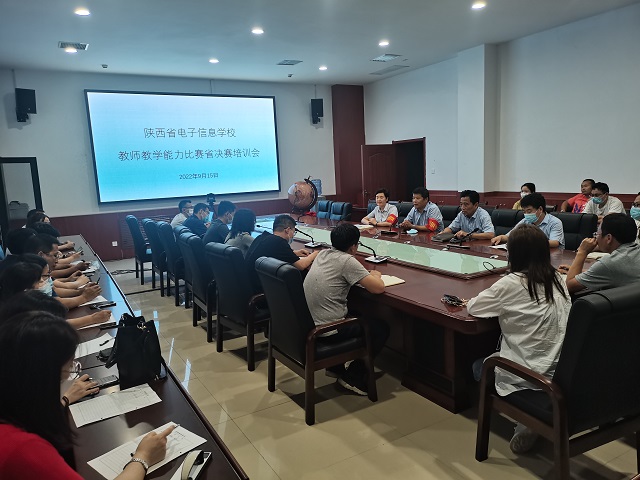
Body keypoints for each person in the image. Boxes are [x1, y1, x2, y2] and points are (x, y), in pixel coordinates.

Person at [0, 311, 175, 479]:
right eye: (64, 374)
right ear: (38, 379)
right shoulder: (22, 450)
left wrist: (65, 399)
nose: (66, 379)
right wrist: (143, 457)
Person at [467, 224, 570, 454]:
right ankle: (529, 420)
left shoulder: (511, 283)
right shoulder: (557, 278)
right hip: (562, 370)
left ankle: (524, 419)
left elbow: (474, 307)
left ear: (513, 254)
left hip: (531, 375)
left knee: (478, 367)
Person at [303, 223, 389, 395]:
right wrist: (376, 275)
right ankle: (353, 377)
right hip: (327, 330)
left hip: (310, 323)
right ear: (353, 246)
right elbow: (378, 288)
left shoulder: (323, 253)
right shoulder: (347, 260)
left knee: (357, 313)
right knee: (380, 328)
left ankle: (335, 367)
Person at [560, 213, 640, 294]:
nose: (596, 238)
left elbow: (569, 285)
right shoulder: (636, 251)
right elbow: (614, 273)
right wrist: (581, 272)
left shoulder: (610, 263)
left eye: (597, 234)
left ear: (608, 238)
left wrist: (582, 251)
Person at [245, 214, 319, 293]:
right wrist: (315, 254)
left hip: (250, 285)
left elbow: (275, 252)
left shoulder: (263, 237)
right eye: (293, 232)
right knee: (302, 274)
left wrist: (295, 253)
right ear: (287, 230)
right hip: (262, 289)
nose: (293, 236)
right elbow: (301, 265)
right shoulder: (279, 242)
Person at [491, 193, 564, 248]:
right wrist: (501, 237)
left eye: (529, 211)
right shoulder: (525, 221)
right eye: (524, 211)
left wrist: (529, 243)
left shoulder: (555, 222)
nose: (526, 214)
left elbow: (554, 242)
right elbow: (511, 236)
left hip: (552, 256)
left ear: (540, 209)